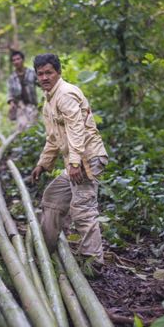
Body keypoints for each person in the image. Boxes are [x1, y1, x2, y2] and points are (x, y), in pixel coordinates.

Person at [30, 53, 109, 270]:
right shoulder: (49, 101)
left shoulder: (65, 95)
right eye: (40, 74)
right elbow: (53, 139)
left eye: (49, 72)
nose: (45, 77)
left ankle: (93, 262)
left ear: (58, 73)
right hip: (75, 161)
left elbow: (77, 129)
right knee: (53, 196)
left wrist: (74, 163)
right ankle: (47, 249)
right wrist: (43, 164)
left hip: (87, 159)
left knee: (82, 208)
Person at [7, 50, 38, 131]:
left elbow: (41, 84)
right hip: (20, 106)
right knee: (21, 127)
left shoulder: (32, 73)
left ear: (23, 60)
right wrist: (11, 102)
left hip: (32, 105)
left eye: (18, 59)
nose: (16, 62)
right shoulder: (12, 77)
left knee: (33, 127)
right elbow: (10, 92)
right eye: (14, 60)